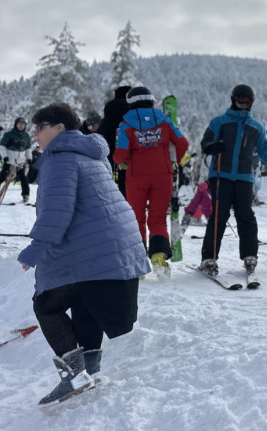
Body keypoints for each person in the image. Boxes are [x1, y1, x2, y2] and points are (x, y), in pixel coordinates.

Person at [18, 103, 149, 406]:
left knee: (47, 304)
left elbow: (56, 213)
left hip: (95, 248)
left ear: (59, 128)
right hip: (115, 248)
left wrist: (34, 251)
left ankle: (75, 374)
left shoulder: (59, 158)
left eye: (40, 127)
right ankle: (90, 369)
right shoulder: (90, 154)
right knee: (82, 296)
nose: (36, 134)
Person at [199, 84, 267, 276]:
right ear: (233, 99)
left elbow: (264, 150)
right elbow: (206, 142)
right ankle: (209, 257)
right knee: (219, 216)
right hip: (220, 175)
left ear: (252, 102)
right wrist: (212, 147)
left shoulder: (256, 127)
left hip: (244, 177)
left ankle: (250, 255)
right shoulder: (219, 122)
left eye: (247, 101)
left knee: (245, 215)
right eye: (240, 100)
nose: (243, 104)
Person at [114, 87, 189, 274]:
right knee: (157, 217)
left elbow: (120, 155)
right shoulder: (165, 121)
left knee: (136, 218)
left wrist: (121, 160)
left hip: (136, 176)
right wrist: (174, 161)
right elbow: (182, 143)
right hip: (163, 175)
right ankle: (158, 256)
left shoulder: (125, 125)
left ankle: (137, 262)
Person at [98, 85, 133, 198]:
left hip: (110, 152)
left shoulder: (109, 110)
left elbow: (101, 132)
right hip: (129, 153)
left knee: (112, 182)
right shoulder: (131, 110)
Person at [0, 117, 33, 203]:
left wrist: (29, 158)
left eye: (23, 124)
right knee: (2, 177)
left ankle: (25, 195)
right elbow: (2, 146)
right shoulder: (9, 134)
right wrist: (5, 156)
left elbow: (28, 148)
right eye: (19, 124)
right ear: (16, 124)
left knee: (23, 178)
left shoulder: (26, 136)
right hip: (9, 160)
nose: (21, 126)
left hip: (20, 162)